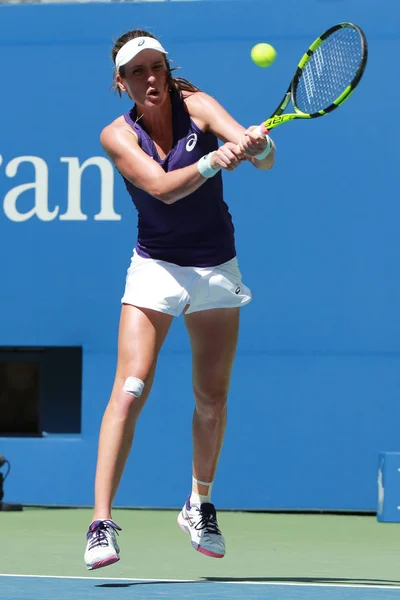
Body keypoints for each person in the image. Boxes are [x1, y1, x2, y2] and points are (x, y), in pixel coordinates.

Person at [84, 29, 275, 571]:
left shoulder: (200, 106)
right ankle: (101, 522)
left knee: (211, 397)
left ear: (167, 70)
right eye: (137, 71)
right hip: (156, 268)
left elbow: (260, 158)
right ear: (120, 83)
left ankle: (200, 502)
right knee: (131, 385)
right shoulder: (116, 136)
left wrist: (259, 146)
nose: (150, 78)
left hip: (215, 266)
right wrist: (218, 161)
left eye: (156, 67)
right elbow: (163, 188)